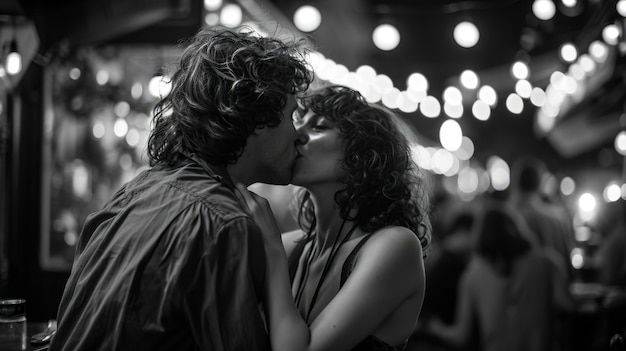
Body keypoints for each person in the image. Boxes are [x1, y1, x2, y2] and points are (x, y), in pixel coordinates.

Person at [49, 25, 312, 351]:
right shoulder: (224, 222)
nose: (299, 134)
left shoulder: (138, 190)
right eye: (291, 116)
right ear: (257, 119)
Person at [239, 85, 432, 351]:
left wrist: (271, 251)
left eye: (318, 127)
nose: (297, 135)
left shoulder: (394, 246)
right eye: (298, 122)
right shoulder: (290, 247)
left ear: (362, 155)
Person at [425, 201, 574, 351]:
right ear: (518, 228)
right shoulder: (547, 262)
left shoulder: (472, 275)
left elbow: (461, 337)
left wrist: (434, 327)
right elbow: (566, 307)